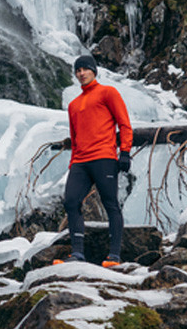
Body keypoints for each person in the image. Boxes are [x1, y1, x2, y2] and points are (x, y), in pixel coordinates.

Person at [55, 54, 132, 267]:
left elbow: (124, 124)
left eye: (85, 69)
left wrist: (124, 152)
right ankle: (78, 253)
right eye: (78, 70)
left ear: (94, 71)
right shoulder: (73, 105)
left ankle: (114, 256)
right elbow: (75, 137)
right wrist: (72, 163)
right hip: (80, 161)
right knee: (71, 202)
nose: (81, 73)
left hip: (104, 157)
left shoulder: (108, 93)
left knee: (110, 204)